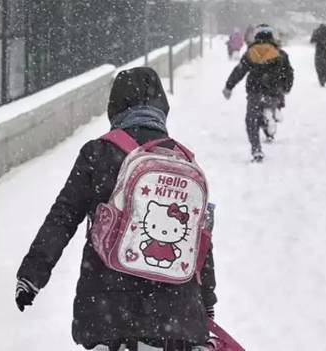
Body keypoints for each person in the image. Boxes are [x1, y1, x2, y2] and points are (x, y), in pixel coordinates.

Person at [14, 67, 218, 350]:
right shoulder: (183, 162)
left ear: (115, 106)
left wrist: (31, 275)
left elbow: (63, 216)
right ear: (162, 107)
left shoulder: (98, 153)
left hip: (107, 308)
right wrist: (206, 302)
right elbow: (200, 239)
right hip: (175, 312)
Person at [223, 24, 294, 162]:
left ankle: (256, 150)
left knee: (251, 120)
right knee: (269, 108)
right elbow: (289, 73)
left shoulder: (251, 53)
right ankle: (272, 117)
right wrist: (286, 88)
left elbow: (239, 71)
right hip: (273, 92)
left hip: (255, 92)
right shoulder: (281, 54)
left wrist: (228, 87)